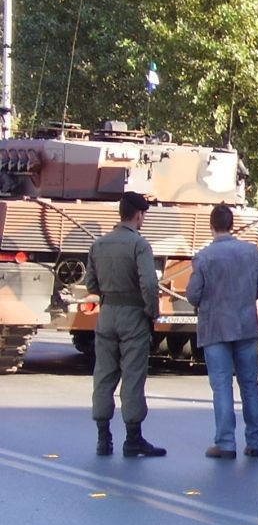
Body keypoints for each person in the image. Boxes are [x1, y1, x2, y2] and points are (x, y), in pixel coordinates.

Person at [186, 204, 258, 460]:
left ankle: (225, 443)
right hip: (245, 326)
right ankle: (254, 442)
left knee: (222, 386)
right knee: (249, 384)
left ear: (211, 226)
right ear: (231, 224)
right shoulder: (250, 251)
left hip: (215, 328)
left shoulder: (204, 257)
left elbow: (193, 295)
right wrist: (244, 299)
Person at [86, 191, 166, 457]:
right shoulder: (139, 245)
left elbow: (91, 284)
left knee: (104, 375)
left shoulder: (99, 245)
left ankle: (102, 438)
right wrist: (152, 312)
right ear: (139, 215)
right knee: (132, 377)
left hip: (107, 314)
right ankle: (133, 439)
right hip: (133, 316)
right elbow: (149, 283)